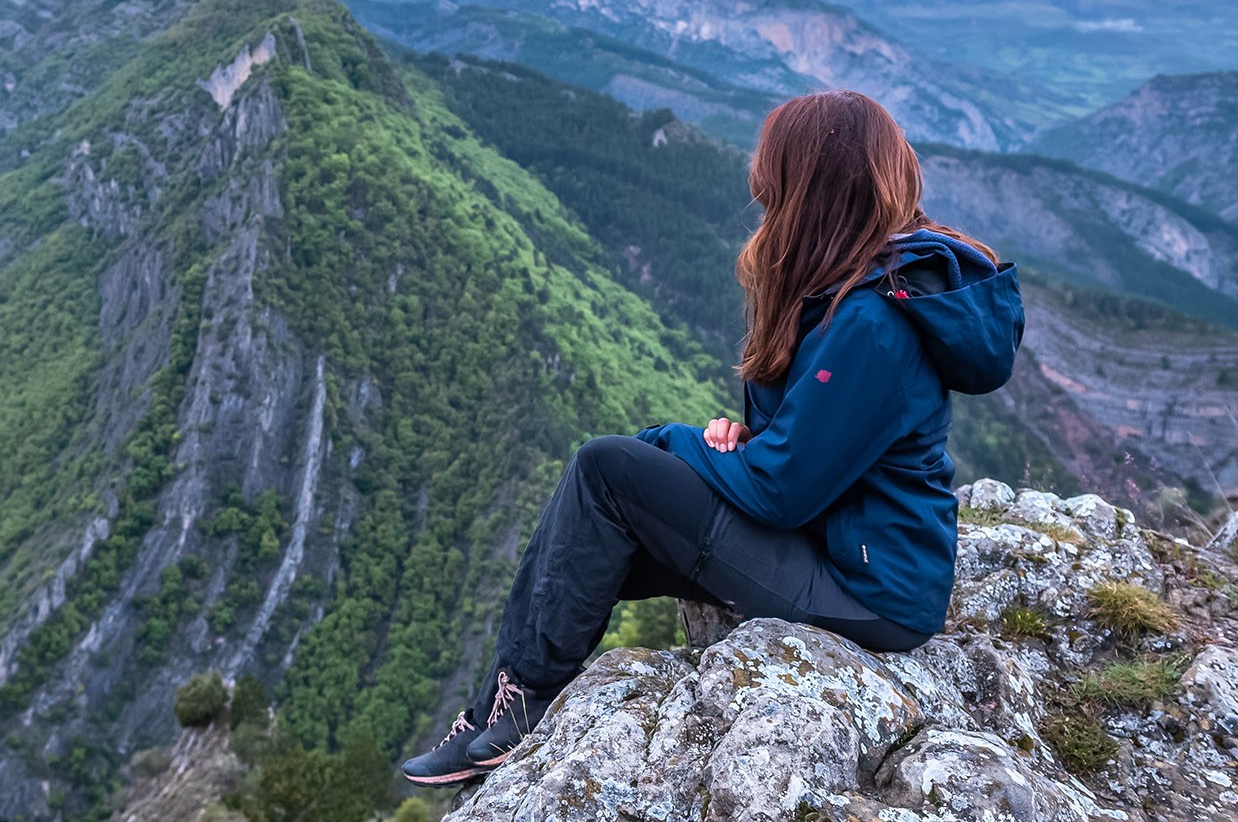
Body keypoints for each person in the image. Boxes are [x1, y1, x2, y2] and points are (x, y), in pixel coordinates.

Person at [400, 89, 1024, 786]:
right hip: (835, 547)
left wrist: (678, 441)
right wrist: (751, 434)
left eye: (773, 183)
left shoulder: (874, 323)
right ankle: (498, 708)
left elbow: (782, 490)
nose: (762, 195)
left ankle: (521, 712)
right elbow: (821, 444)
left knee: (607, 471)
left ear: (810, 189)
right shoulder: (852, 292)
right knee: (584, 544)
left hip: (872, 592)